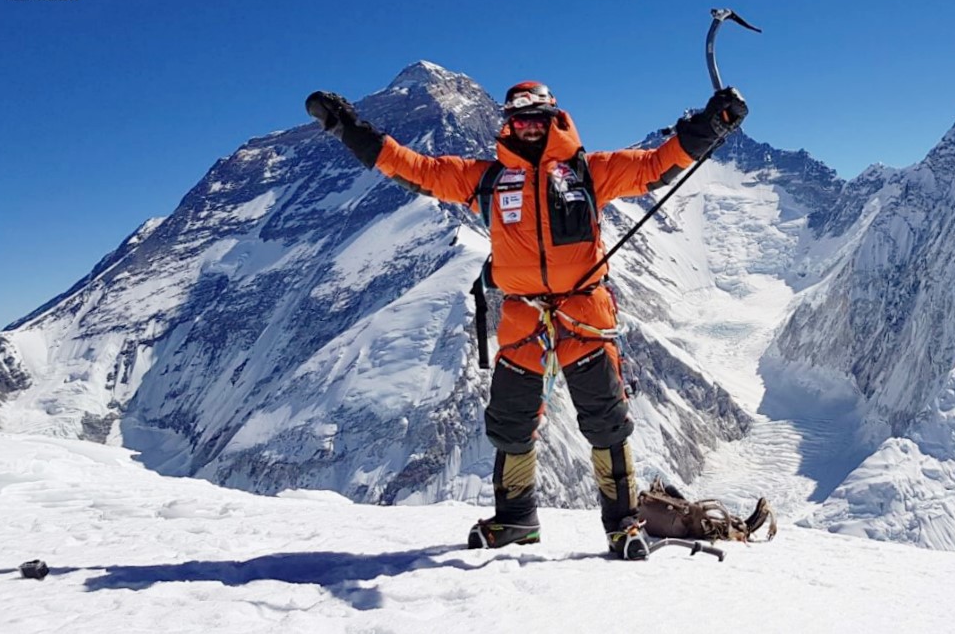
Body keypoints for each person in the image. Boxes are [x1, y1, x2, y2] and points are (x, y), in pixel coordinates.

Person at [306, 80, 747, 559]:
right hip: (524, 320)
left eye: (538, 120)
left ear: (555, 119)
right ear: (508, 124)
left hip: (583, 316)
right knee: (511, 424)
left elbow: (659, 165)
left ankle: (624, 525)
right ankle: (517, 521)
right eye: (521, 121)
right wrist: (348, 129)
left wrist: (713, 123)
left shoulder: (591, 172)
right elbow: (417, 170)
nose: (530, 129)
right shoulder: (488, 180)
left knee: (607, 423)